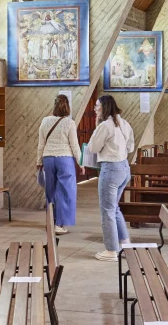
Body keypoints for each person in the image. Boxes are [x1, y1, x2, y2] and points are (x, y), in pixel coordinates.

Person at [88, 95, 135, 261]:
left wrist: (96, 125)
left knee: (107, 211)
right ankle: (125, 244)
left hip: (111, 169)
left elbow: (93, 147)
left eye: (97, 106)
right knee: (114, 208)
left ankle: (111, 251)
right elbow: (130, 147)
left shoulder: (106, 125)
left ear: (105, 107)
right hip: (124, 168)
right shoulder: (124, 123)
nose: (95, 109)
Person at [37, 94, 84, 234]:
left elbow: (41, 144)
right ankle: (60, 224)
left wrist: (39, 161)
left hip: (48, 158)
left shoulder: (45, 121)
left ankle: (50, 222)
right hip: (65, 159)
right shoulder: (69, 123)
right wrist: (81, 163)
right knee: (65, 191)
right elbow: (75, 146)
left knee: (50, 190)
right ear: (67, 106)